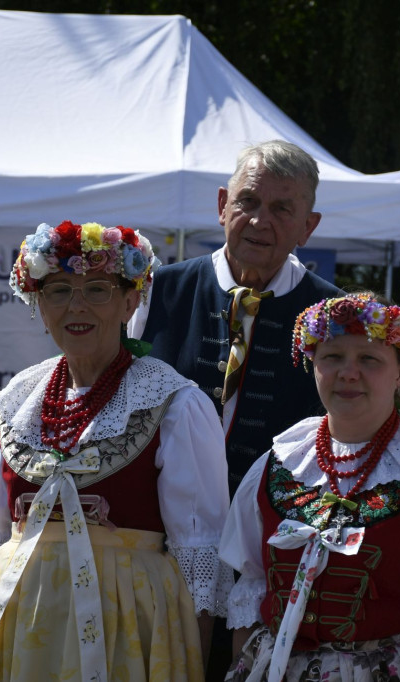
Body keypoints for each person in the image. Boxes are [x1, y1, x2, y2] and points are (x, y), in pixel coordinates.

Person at [0, 220, 232, 682]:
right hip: (18, 620)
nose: (77, 306)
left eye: (97, 289)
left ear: (130, 302)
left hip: (125, 623)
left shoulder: (173, 401)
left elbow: (198, 552)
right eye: (58, 291)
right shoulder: (18, 398)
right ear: (38, 304)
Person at [220, 293, 400, 682]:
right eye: (333, 357)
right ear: (313, 363)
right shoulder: (277, 464)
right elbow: (249, 603)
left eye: (369, 360)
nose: (349, 373)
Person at [130, 140, 344, 495]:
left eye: (281, 209)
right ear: (222, 206)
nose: (260, 221)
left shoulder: (334, 314)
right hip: (160, 516)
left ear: (308, 227)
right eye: (248, 201)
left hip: (278, 526)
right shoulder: (157, 291)